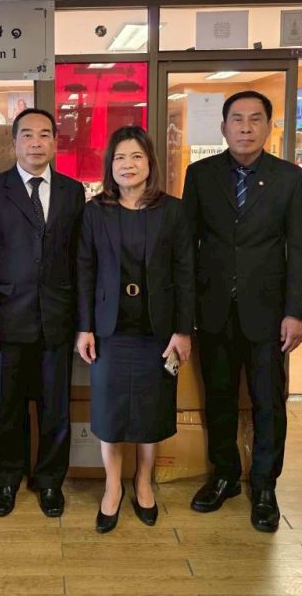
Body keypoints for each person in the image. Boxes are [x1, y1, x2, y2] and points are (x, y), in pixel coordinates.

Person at [182, 90, 302, 533]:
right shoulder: (201, 175)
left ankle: (264, 486)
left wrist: (296, 312)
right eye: (236, 119)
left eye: (255, 119)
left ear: (269, 127)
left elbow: (301, 249)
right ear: (223, 127)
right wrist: (187, 309)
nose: (245, 127)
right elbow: (187, 245)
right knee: (219, 398)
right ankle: (223, 475)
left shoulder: (289, 178)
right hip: (213, 309)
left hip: (269, 314)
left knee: (268, 402)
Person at [76, 126, 194, 534]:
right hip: (109, 329)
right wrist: (84, 327)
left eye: (137, 157)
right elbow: (84, 271)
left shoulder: (173, 211)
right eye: (120, 158)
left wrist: (183, 330)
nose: (128, 165)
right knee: (108, 412)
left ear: (150, 163)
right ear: (110, 166)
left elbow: (185, 273)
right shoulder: (95, 211)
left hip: (156, 330)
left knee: (151, 410)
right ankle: (112, 486)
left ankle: (143, 482)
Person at [0, 108, 85, 518]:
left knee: (56, 408)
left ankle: (50, 481)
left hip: (57, 316)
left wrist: (83, 322)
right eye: (27, 135)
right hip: (4, 320)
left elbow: (80, 259)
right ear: (14, 142)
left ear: (55, 141)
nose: (36, 142)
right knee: (7, 407)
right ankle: (7, 478)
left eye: (44, 134)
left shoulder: (73, 191)